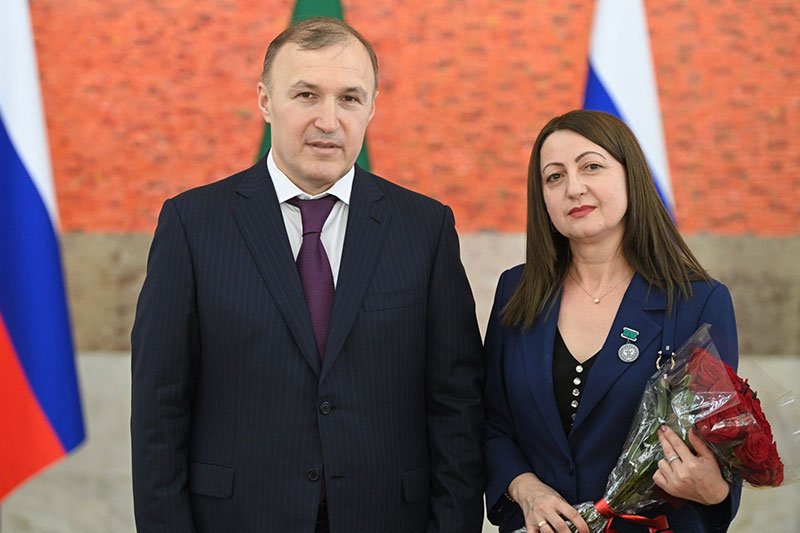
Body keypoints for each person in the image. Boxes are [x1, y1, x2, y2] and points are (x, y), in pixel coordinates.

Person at [131, 17, 485, 533]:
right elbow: (159, 406)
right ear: (265, 101)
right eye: (306, 95)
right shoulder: (192, 223)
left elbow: (456, 404)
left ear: (371, 107)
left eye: (349, 99)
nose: (328, 120)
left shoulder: (426, 228)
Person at [484, 110, 740, 533]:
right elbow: (492, 422)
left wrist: (715, 490)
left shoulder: (697, 301)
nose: (573, 188)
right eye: (554, 177)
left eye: (591, 166)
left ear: (630, 176)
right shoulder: (516, 290)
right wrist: (525, 488)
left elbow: (720, 445)